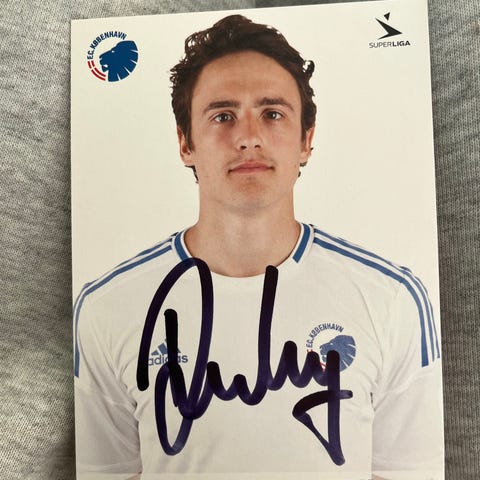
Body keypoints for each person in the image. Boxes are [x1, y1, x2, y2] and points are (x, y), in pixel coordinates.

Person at [74, 14, 443, 480]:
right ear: (185, 143)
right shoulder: (107, 309)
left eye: (272, 114)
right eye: (222, 116)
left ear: (306, 140)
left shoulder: (392, 300)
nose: (248, 137)